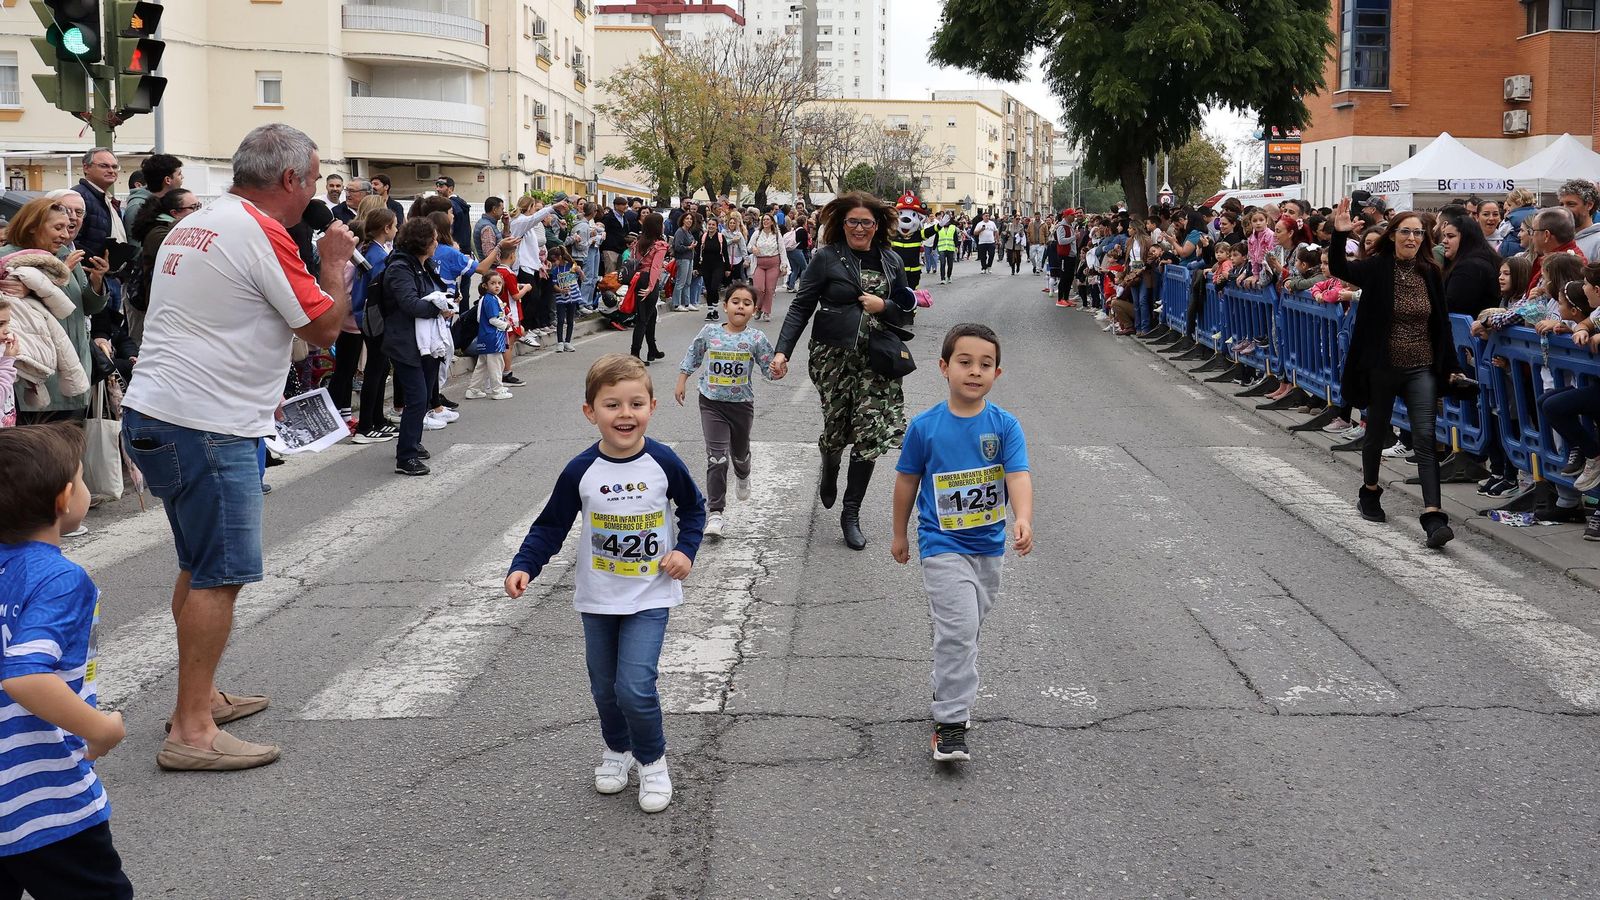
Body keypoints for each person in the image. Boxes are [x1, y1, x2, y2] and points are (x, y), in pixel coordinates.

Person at [122, 124, 356, 771]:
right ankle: (192, 730)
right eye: (311, 178)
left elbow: (223, 320)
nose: (314, 190)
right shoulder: (262, 230)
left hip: (161, 412)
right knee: (220, 574)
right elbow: (323, 326)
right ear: (290, 180)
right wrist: (334, 264)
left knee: (199, 564)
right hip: (208, 425)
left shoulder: (200, 220)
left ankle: (196, 700)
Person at [505, 353, 706, 814]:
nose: (625, 415)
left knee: (634, 685)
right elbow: (550, 526)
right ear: (590, 411)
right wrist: (525, 565)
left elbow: (693, 509)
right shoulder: (581, 470)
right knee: (603, 688)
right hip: (598, 596)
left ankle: (652, 761)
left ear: (651, 407)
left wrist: (685, 552)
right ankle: (618, 751)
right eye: (612, 405)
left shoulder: (663, 461)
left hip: (650, 593)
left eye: (636, 404)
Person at [0, 424, 133, 898]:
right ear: (64, 499)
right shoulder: (59, 579)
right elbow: (25, 674)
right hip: (42, 794)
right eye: (81, 477)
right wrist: (101, 728)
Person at [890, 323, 1032, 763]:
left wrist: (1022, 516)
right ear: (944, 368)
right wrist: (899, 532)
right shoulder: (925, 426)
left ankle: (947, 684)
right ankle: (950, 723)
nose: (975, 372)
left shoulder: (1004, 426)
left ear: (998, 373)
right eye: (965, 363)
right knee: (958, 631)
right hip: (941, 545)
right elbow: (906, 482)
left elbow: (1018, 475)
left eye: (985, 365)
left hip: (988, 547)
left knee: (969, 626)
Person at [771, 191, 917, 550]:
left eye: (867, 222)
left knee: (870, 436)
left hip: (877, 361)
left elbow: (907, 311)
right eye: (853, 221)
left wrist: (884, 305)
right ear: (842, 223)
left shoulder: (891, 260)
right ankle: (830, 460)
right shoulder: (826, 258)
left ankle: (850, 513)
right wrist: (781, 351)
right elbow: (801, 307)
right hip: (832, 357)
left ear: (877, 225)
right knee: (837, 431)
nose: (860, 228)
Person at [1329, 198, 1462, 548]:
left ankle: (1434, 517)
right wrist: (1340, 235)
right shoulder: (1375, 268)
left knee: (1424, 439)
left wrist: (1450, 368)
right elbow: (1340, 268)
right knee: (1377, 433)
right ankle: (1370, 492)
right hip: (1382, 366)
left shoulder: (1430, 271)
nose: (1412, 238)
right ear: (1392, 236)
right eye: (1405, 232)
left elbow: (1442, 322)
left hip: (1421, 367)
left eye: (1418, 233)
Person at [674, 282, 780, 538]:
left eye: (746, 303)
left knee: (740, 454)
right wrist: (682, 380)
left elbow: (769, 369)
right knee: (716, 457)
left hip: (741, 406)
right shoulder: (710, 332)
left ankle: (743, 475)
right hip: (711, 403)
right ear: (725, 306)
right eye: (735, 301)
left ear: (754, 310)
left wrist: (778, 369)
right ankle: (716, 514)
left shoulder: (756, 338)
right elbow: (693, 355)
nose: (740, 306)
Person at [1, 197, 107, 424]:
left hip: (73, 366)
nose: (65, 235)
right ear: (32, 227)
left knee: (69, 452)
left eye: (67, 228)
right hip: (32, 377)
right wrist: (42, 281)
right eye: (57, 228)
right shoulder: (8, 259)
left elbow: (86, 306)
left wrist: (97, 282)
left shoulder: (63, 256)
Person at [380, 218, 453, 476]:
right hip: (405, 342)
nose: (437, 242)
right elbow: (410, 304)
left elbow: (435, 293)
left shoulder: (423, 265)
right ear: (422, 242)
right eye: (433, 238)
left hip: (426, 343)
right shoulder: (400, 267)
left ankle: (412, 441)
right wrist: (440, 308)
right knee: (417, 397)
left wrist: (447, 302)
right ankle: (406, 458)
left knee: (422, 398)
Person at [350, 207, 400, 444]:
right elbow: (382, 290)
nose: (397, 229)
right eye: (395, 225)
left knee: (380, 368)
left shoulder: (370, 250)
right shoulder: (377, 256)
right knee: (375, 370)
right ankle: (365, 426)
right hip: (374, 316)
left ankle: (377, 420)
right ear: (386, 229)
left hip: (366, 314)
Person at [1440, 213, 1502, 316]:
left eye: (1450, 236)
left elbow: (1452, 305)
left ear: (1466, 238)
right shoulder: (1478, 260)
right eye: (1444, 236)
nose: (1444, 241)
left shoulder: (1470, 267)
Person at [629, 213, 669, 364]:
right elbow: (655, 267)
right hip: (648, 280)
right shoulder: (659, 245)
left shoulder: (639, 242)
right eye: (662, 223)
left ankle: (652, 349)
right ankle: (635, 353)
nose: (664, 226)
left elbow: (634, 261)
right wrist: (652, 286)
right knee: (643, 318)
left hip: (638, 278)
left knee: (651, 315)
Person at [466, 270, 512, 400]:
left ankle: (473, 389)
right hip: (493, 337)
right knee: (496, 365)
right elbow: (493, 319)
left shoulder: (487, 299)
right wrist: (506, 325)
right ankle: (497, 390)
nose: (497, 286)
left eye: (499, 283)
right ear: (485, 285)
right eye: (493, 283)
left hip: (485, 337)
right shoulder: (490, 300)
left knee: (482, 366)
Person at [747, 214, 787, 321]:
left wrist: (784, 265)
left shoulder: (777, 235)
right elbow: (749, 247)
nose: (765, 221)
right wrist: (753, 248)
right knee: (759, 289)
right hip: (759, 264)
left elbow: (782, 250)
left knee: (770, 289)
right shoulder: (757, 233)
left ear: (772, 222)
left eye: (767, 219)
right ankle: (759, 307)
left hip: (773, 264)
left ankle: (766, 312)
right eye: (764, 220)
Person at [548, 244, 583, 353]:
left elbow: (582, 277)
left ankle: (568, 341)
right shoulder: (555, 270)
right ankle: (560, 342)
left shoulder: (571, 266)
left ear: (558, 258)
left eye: (553, 261)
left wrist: (579, 271)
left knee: (570, 320)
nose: (553, 264)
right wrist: (561, 290)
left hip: (573, 297)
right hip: (561, 298)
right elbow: (553, 285)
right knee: (561, 320)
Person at [669, 212, 699, 312]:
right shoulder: (680, 232)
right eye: (687, 218)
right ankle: (676, 304)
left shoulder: (689, 232)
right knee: (680, 282)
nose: (689, 220)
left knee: (688, 282)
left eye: (691, 219)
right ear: (682, 220)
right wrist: (689, 247)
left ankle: (686, 303)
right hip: (682, 258)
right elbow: (677, 246)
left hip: (689, 258)